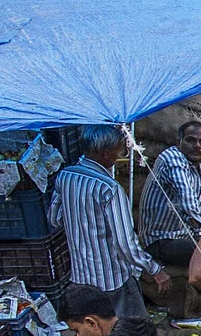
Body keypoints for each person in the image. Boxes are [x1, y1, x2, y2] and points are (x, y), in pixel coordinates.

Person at [50, 128, 165, 320]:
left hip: (80, 278)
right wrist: (154, 269)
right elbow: (125, 243)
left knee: (95, 334)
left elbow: (55, 219)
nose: (120, 156)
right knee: (132, 334)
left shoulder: (65, 176)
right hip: (111, 280)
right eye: (119, 151)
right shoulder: (109, 189)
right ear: (105, 152)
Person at [138, 121, 201, 291]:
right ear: (179, 142)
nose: (197, 146)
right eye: (191, 140)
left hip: (187, 233)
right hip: (162, 239)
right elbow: (189, 207)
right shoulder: (172, 159)